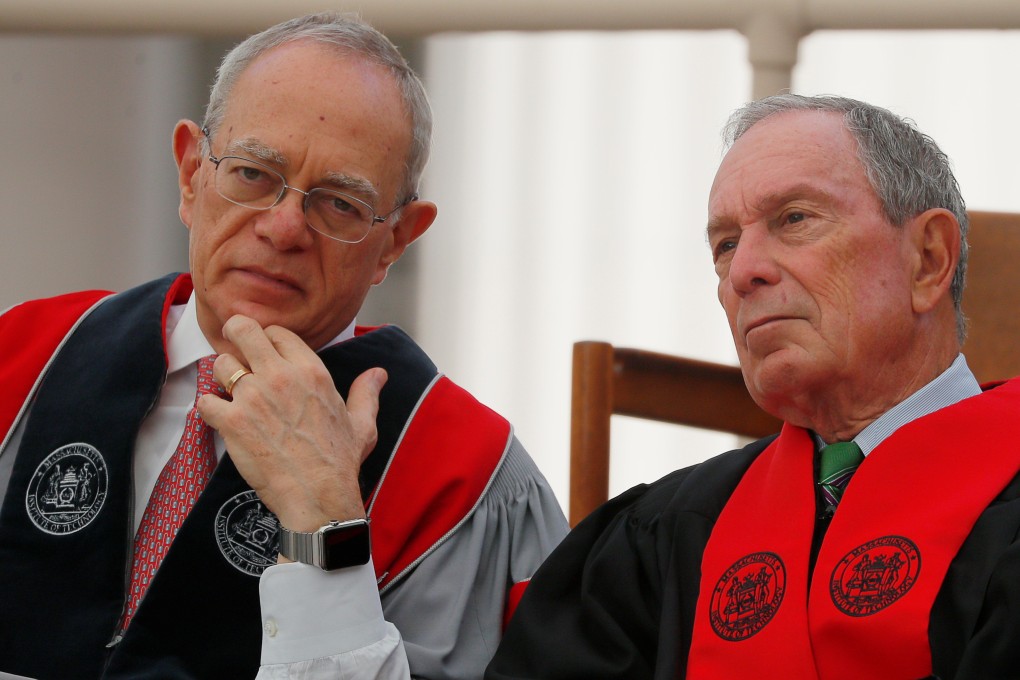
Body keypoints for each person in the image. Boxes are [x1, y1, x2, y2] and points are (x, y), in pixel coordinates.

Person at [0, 12, 567, 680]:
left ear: (395, 241)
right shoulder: (22, 361)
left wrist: (325, 525)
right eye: (251, 173)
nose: (283, 227)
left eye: (339, 205)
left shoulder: (468, 479)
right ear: (190, 175)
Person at [486, 94, 1020, 679]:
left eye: (794, 219)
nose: (743, 272)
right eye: (726, 245)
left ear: (927, 259)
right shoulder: (661, 536)